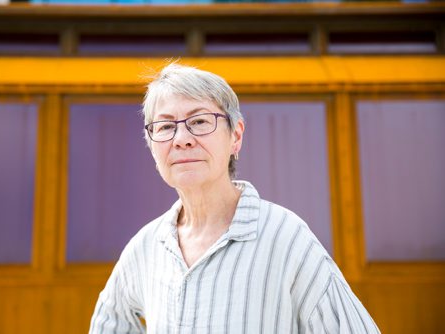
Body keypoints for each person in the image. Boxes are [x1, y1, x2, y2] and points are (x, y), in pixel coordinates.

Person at [89, 63, 380, 334]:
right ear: (152, 146)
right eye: (165, 126)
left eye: (200, 121)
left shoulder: (285, 236)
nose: (181, 138)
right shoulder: (147, 246)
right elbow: (109, 322)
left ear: (235, 136)